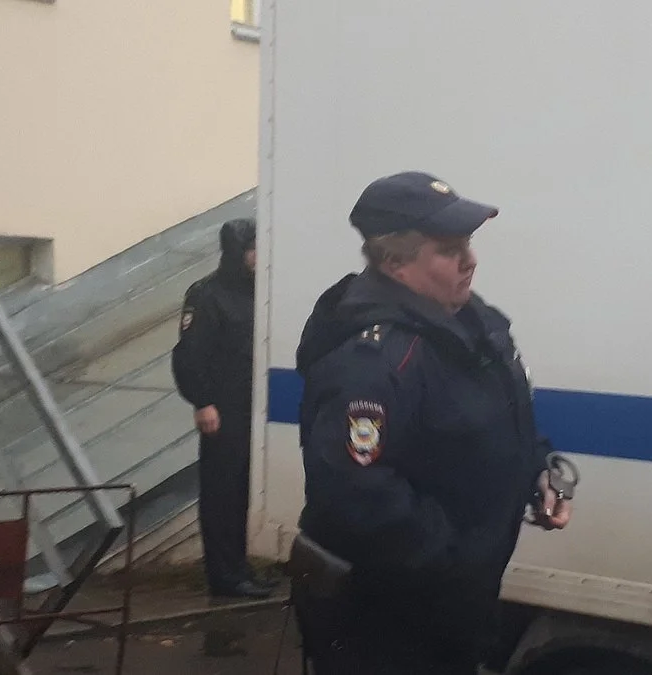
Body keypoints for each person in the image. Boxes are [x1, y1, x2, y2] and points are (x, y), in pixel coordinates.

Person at [291, 171, 575, 674]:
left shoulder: (471, 321)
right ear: (394, 263)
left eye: (467, 243)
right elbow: (357, 492)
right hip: (392, 618)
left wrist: (536, 471)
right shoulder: (372, 361)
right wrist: (456, 558)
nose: (470, 260)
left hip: (458, 602)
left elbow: (501, 415)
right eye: (448, 250)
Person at [171, 218, 275, 599]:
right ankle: (224, 576)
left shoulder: (259, 292)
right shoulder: (207, 295)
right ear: (236, 252)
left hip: (253, 408)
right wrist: (202, 401)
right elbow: (189, 355)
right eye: (252, 249)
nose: (258, 256)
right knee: (222, 493)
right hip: (222, 409)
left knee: (243, 492)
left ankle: (239, 567)